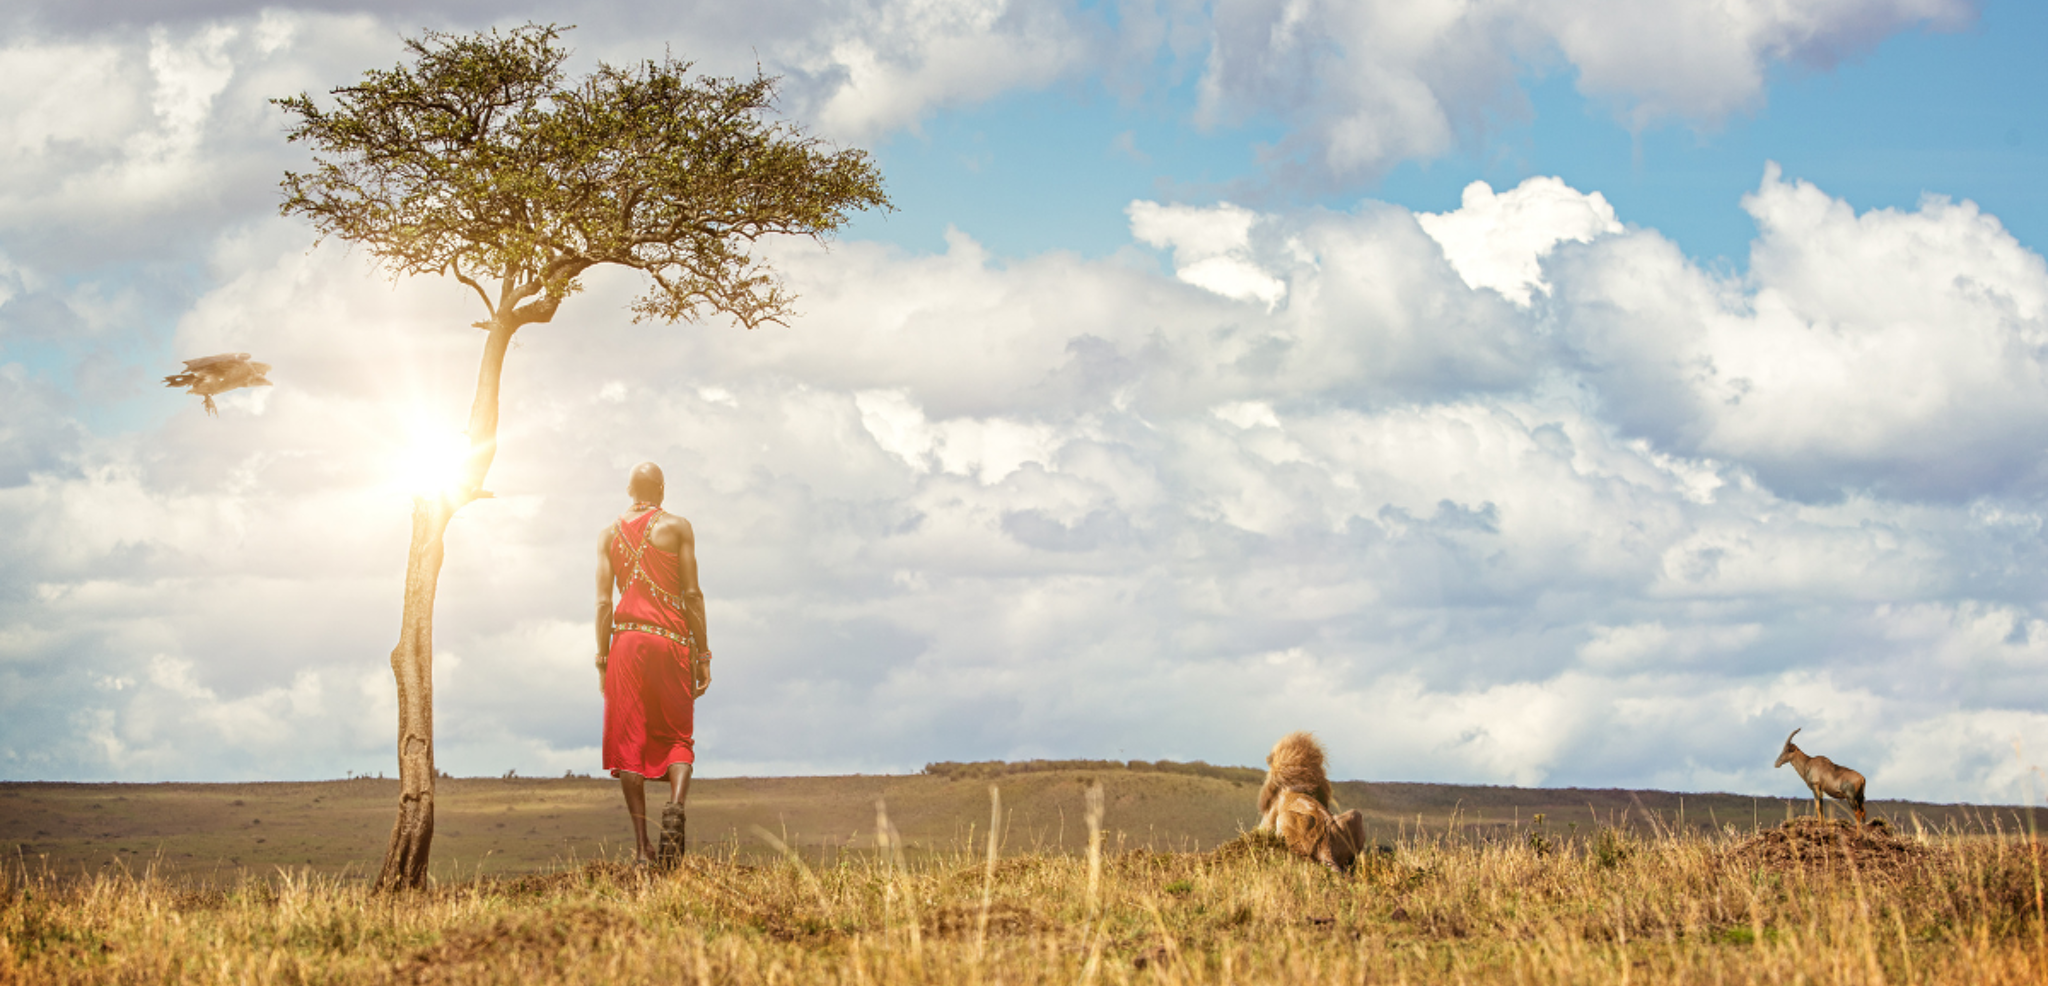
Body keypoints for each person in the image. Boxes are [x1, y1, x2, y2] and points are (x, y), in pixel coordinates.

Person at [595, 461, 712, 868]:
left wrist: (601, 660)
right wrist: (703, 654)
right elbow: (692, 593)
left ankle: (643, 847)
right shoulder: (678, 527)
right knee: (678, 734)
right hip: (672, 640)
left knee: (629, 743)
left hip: (626, 642)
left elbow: (603, 603)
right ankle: (675, 808)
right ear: (661, 490)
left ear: (630, 490)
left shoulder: (609, 535)